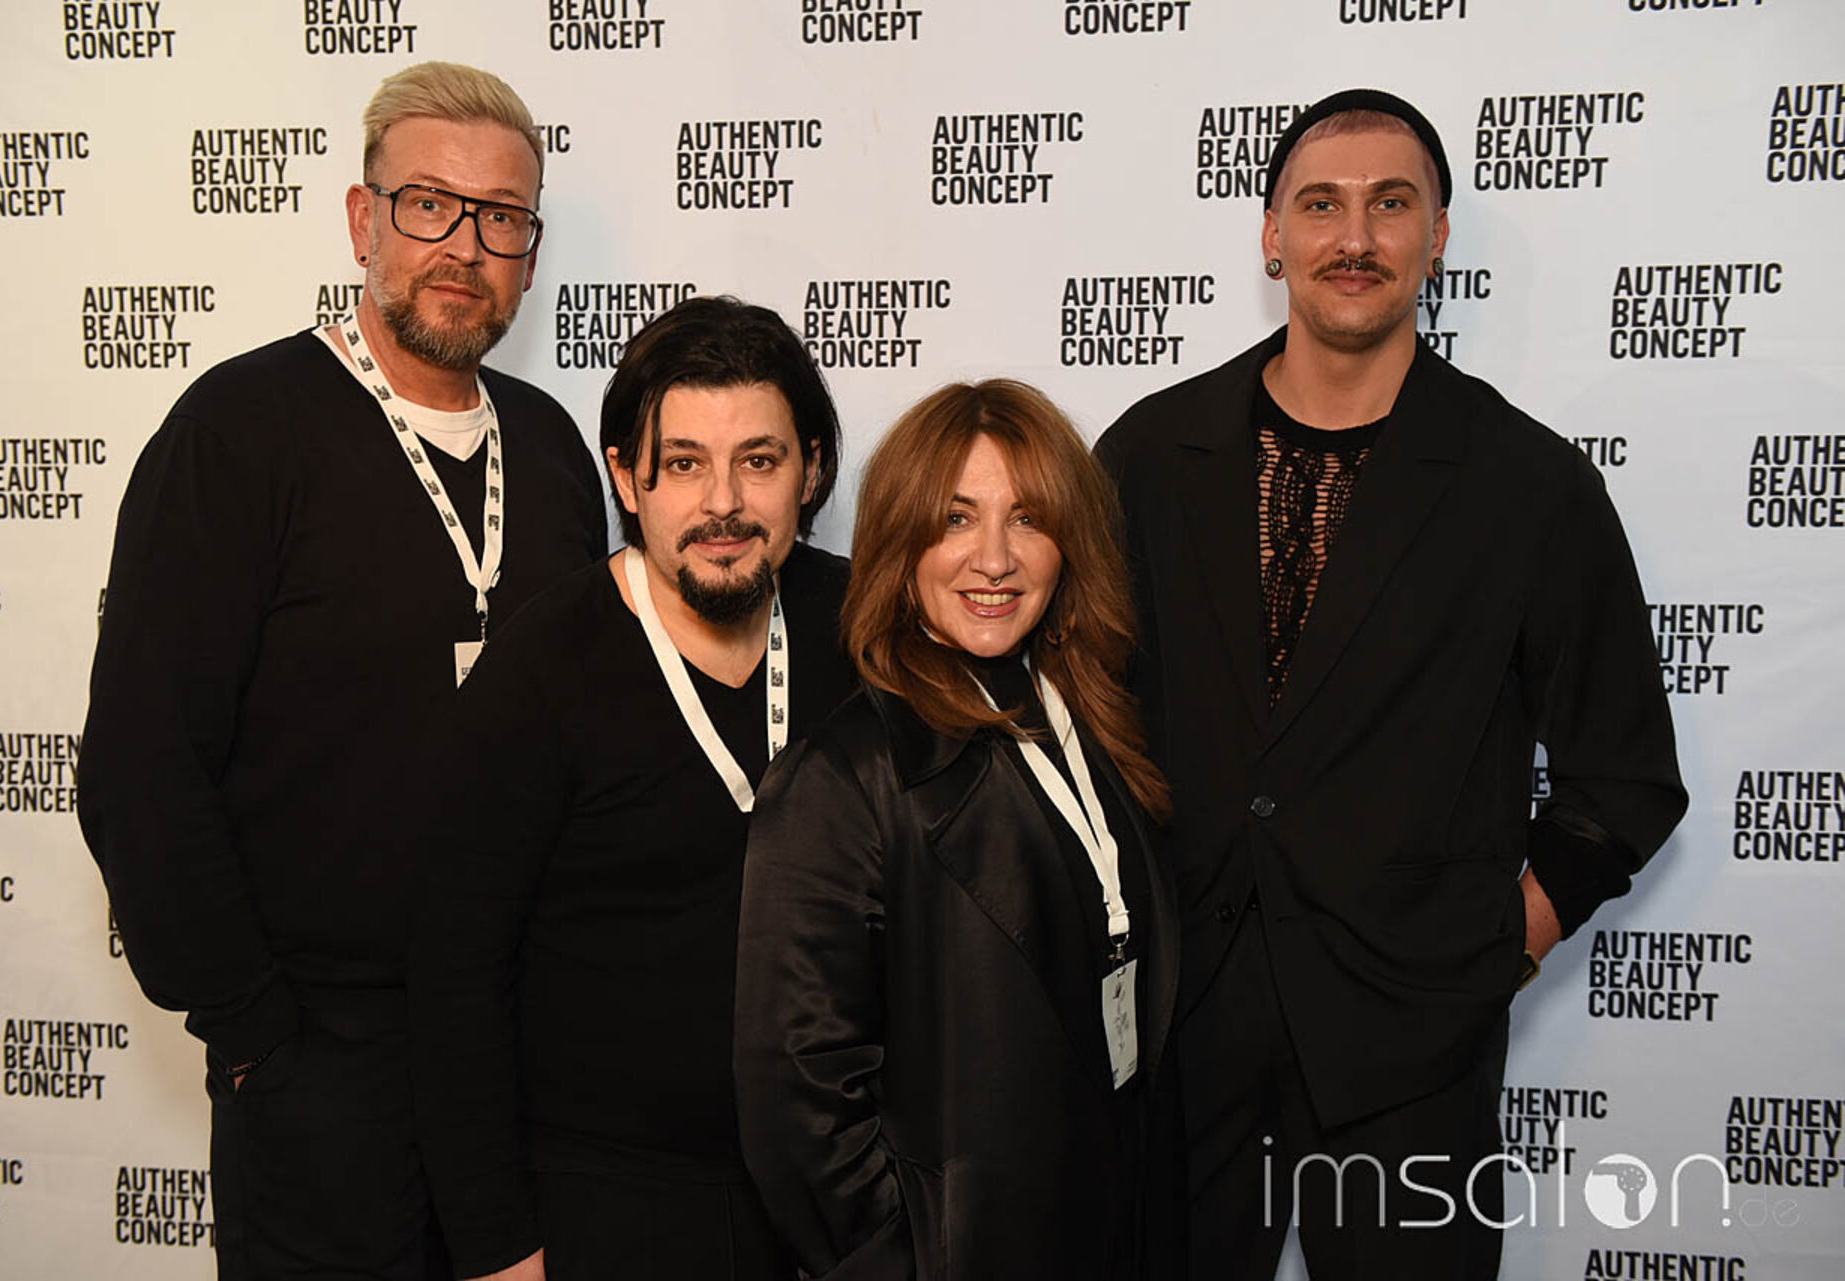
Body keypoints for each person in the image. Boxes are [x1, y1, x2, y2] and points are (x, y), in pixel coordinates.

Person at [1095, 88, 1688, 1278]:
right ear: (1272, 236)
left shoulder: (1529, 485)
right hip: (1178, 1030)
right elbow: (1080, 721)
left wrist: (1493, 949)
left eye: (1391, 204)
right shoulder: (1148, 455)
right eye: (1321, 205)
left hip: (1414, 1049)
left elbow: (1625, 779)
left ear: (1438, 235)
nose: (1354, 237)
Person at [76, 61, 605, 1279]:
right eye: (429, 204)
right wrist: (256, 1030)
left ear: (531, 254)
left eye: (502, 217)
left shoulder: (552, 448)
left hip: (523, 1049)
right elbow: (142, 764)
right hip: (323, 1057)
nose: (464, 245)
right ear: (364, 219)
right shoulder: (239, 431)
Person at [407, 295, 853, 1281]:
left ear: (812, 470)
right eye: (683, 463)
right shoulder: (540, 669)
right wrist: (496, 1247)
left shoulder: (863, 633)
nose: (723, 503)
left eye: (759, 461)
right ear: (626, 477)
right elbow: (454, 978)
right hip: (607, 1206)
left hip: (832, 1198)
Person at [736, 380, 1182, 1281]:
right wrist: (911, 1256)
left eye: (1028, 518)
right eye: (955, 519)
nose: (994, 559)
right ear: (900, 541)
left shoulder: (1094, 722)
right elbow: (797, 1099)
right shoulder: (843, 777)